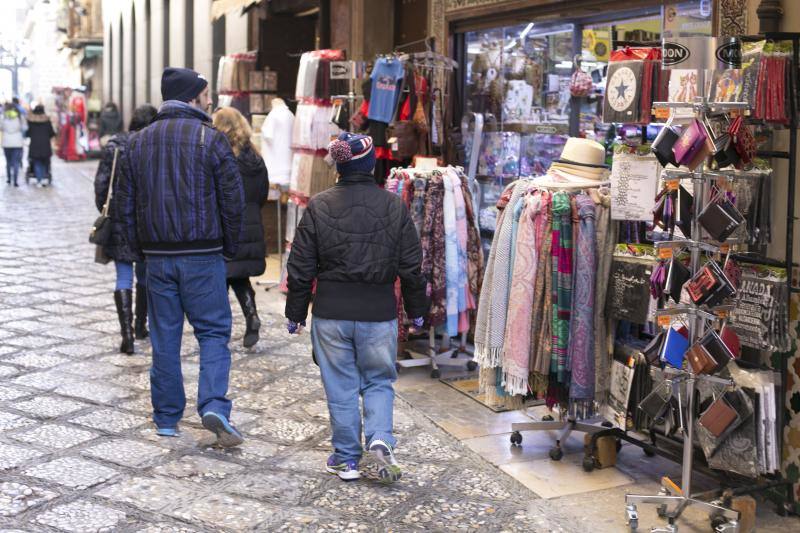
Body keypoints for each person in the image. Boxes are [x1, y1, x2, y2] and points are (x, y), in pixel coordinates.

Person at [285, 132, 429, 483]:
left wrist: (295, 313)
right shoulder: (394, 207)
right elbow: (411, 266)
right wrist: (417, 308)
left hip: (331, 312)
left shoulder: (319, 206)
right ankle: (379, 439)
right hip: (377, 312)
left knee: (341, 385)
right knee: (379, 380)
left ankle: (347, 459)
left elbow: (301, 266)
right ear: (371, 164)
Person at [117, 67, 246, 447]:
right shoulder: (211, 141)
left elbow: (125, 207)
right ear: (192, 96)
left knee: (165, 337)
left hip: (157, 258)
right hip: (203, 254)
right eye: (205, 94)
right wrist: (230, 249)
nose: (210, 100)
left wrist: (139, 254)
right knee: (213, 333)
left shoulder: (136, 143)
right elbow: (232, 202)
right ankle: (214, 406)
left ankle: (167, 418)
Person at [94, 104, 158, 354]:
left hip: (120, 217)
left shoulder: (114, 145)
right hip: (146, 218)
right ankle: (140, 326)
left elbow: (101, 183)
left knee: (122, 276)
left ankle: (127, 336)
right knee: (143, 275)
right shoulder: (150, 146)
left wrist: (106, 208)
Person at [212, 107, 269, 348]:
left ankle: (219, 328)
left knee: (221, 277)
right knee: (239, 275)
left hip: (227, 224)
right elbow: (263, 192)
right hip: (251, 222)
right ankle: (251, 316)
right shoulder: (255, 157)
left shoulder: (220, 155)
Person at [25, 105, 55, 187]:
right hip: (45, 144)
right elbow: (51, 133)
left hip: (35, 145)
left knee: (37, 163)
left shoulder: (31, 121)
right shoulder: (47, 121)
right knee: (45, 162)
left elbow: (28, 133)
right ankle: (44, 178)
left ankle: (39, 179)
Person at [2, 102, 26, 187]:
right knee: (16, 162)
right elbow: (25, 128)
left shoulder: (3, 116)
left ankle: (9, 179)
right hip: (17, 142)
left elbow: (1, 127)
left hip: (6, 142)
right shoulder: (19, 117)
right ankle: (15, 181)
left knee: (8, 162)